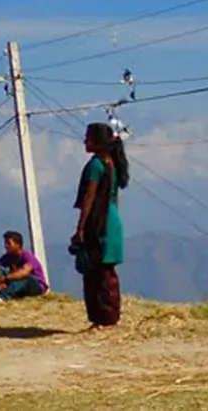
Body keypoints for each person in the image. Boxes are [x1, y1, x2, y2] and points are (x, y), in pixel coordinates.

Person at [71, 121, 128, 329]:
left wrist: (80, 228)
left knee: (97, 273)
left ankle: (103, 319)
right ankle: (109, 316)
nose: (84, 141)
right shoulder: (110, 163)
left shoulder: (96, 164)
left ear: (97, 142)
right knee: (106, 271)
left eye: (88, 137)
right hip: (111, 220)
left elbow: (89, 199)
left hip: (99, 222)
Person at [0, 231, 49, 305]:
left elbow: (24, 272)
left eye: (8, 243)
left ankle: (2, 297)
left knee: (26, 278)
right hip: (18, 285)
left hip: (35, 287)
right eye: (5, 243)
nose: (6, 246)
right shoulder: (7, 257)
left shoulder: (28, 257)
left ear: (18, 244)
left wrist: (5, 278)